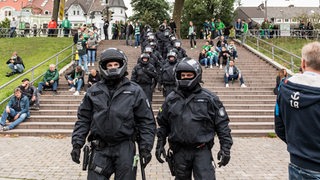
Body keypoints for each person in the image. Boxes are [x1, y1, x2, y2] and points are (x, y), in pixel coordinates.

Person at [70, 48, 156, 179]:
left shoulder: (135, 91)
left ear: (122, 65)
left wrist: (145, 148)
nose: (113, 67)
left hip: (125, 148)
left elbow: (146, 121)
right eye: (109, 65)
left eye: (116, 64)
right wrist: (77, 144)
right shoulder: (93, 91)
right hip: (100, 148)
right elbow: (83, 119)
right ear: (103, 67)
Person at [156, 57, 233, 179]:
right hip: (179, 151)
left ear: (197, 75)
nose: (185, 77)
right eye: (183, 75)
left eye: (189, 75)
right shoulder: (171, 99)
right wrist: (160, 144)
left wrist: (226, 148)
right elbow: (163, 124)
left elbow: (222, 125)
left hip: (201, 151)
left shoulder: (209, 99)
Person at [275, 42, 320, 179]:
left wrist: (297, 148)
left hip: (296, 163)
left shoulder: (284, 88)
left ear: (303, 63)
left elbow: (279, 127)